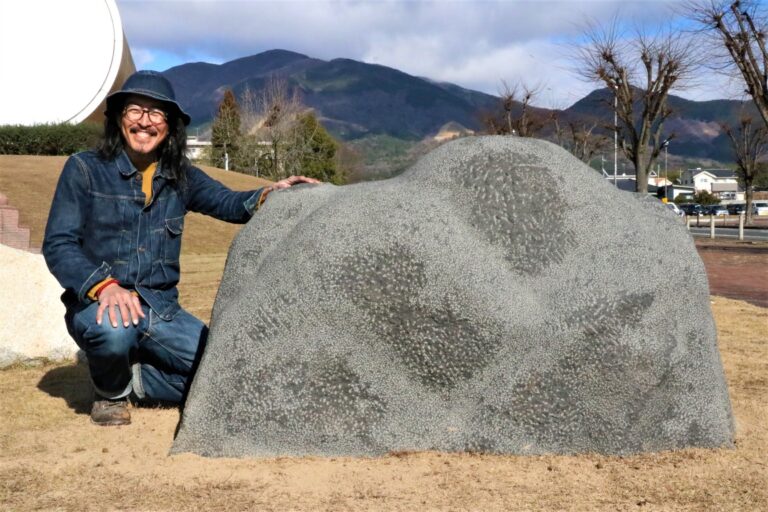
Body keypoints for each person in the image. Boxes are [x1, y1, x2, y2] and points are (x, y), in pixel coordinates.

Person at [42, 70, 319, 426]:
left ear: (170, 126)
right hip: (98, 304)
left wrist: (271, 195)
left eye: (156, 113)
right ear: (118, 118)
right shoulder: (84, 169)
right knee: (114, 332)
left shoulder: (181, 175)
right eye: (135, 111)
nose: (145, 121)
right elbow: (59, 244)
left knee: (225, 372)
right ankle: (110, 394)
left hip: (161, 311)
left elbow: (229, 203)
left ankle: (137, 381)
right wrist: (104, 286)